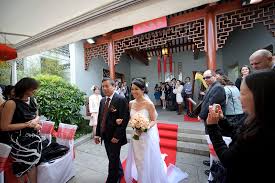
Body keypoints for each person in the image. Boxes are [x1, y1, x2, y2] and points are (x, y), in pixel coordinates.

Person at [206, 70, 275, 183]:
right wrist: (222, 120)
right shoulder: (255, 117)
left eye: (242, 94)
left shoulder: (263, 131)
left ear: (260, 95)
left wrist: (212, 127)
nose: (239, 98)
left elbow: (228, 159)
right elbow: (237, 132)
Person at [125, 78, 187, 183]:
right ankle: (141, 177)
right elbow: (130, 118)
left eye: (136, 89)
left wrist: (146, 127)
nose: (134, 91)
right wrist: (133, 124)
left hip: (146, 136)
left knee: (147, 159)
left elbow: (154, 120)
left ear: (143, 89)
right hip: (135, 135)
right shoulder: (131, 103)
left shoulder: (149, 104)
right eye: (132, 89)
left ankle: (147, 178)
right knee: (137, 158)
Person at [0, 77, 42, 183]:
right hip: (19, 143)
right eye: (33, 88)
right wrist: (28, 125)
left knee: (32, 165)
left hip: (34, 142)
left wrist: (35, 122)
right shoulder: (11, 103)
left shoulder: (32, 100)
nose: (35, 91)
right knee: (22, 168)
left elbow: (37, 116)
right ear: (25, 88)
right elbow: (4, 126)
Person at [94, 78, 129, 183]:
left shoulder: (121, 99)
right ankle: (119, 172)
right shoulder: (102, 100)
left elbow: (124, 120)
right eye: (103, 86)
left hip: (115, 137)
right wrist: (97, 134)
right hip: (105, 135)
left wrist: (117, 136)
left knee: (113, 159)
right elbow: (100, 118)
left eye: (107, 86)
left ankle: (112, 179)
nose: (104, 88)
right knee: (112, 157)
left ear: (114, 86)